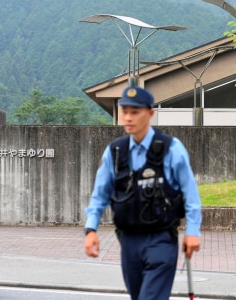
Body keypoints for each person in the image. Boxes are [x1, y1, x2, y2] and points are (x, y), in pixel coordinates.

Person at [84, 86, 202, 299]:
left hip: (161, 239)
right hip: (128, 241)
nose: (128, 117)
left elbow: (190, 193)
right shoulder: (115, 152)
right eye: (124, 111)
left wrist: (192, 231)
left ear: (149, 113)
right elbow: (100, 193)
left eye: (135, 112)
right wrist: (91, 229)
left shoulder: (171, 149)